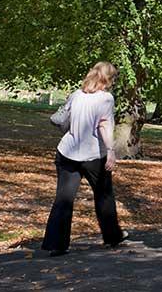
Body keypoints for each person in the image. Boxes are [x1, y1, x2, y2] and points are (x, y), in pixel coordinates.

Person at [42, 62, 127, 256]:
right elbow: (104, 126)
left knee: (64, 198)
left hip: (67, 152)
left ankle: (57, 244)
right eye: (113, 78)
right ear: (108, 79)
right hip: (93, 154)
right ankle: (112, 236)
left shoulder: (76, 95)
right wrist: (111, 150)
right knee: (104, 195)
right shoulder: (106, 99)